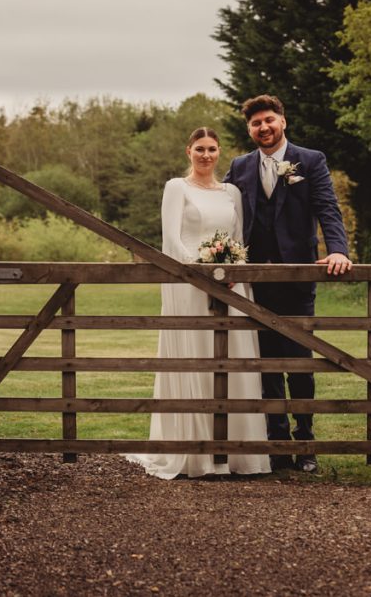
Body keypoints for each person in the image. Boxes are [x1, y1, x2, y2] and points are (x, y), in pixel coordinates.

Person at [127, 127, 271, 479]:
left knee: (233, 358)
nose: (206, 155)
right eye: (200, 149)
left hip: (232, 285)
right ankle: (196, 454)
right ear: (188, 151)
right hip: (188, 283)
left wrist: (233, 270)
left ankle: (238, 454)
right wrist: (200, 273)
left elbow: (238, 239)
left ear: (219, 152)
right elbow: (171, 239)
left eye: (212, 149)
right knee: (197, 356)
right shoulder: (177, 187)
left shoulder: (231, 192)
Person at [223, 94, 351, 474]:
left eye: (269, 120)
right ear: (249, 129)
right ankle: (277, 446)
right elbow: (225, 211)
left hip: (297, 279)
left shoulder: (310, 160)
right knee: (265, 364)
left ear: (283, 121)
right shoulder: (240, 166)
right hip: (254, 281)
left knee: (299, 363)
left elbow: (327, 207)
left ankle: (306, 444)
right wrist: (222, 260)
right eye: (256, 123)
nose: (263, 128)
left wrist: (339, 250)